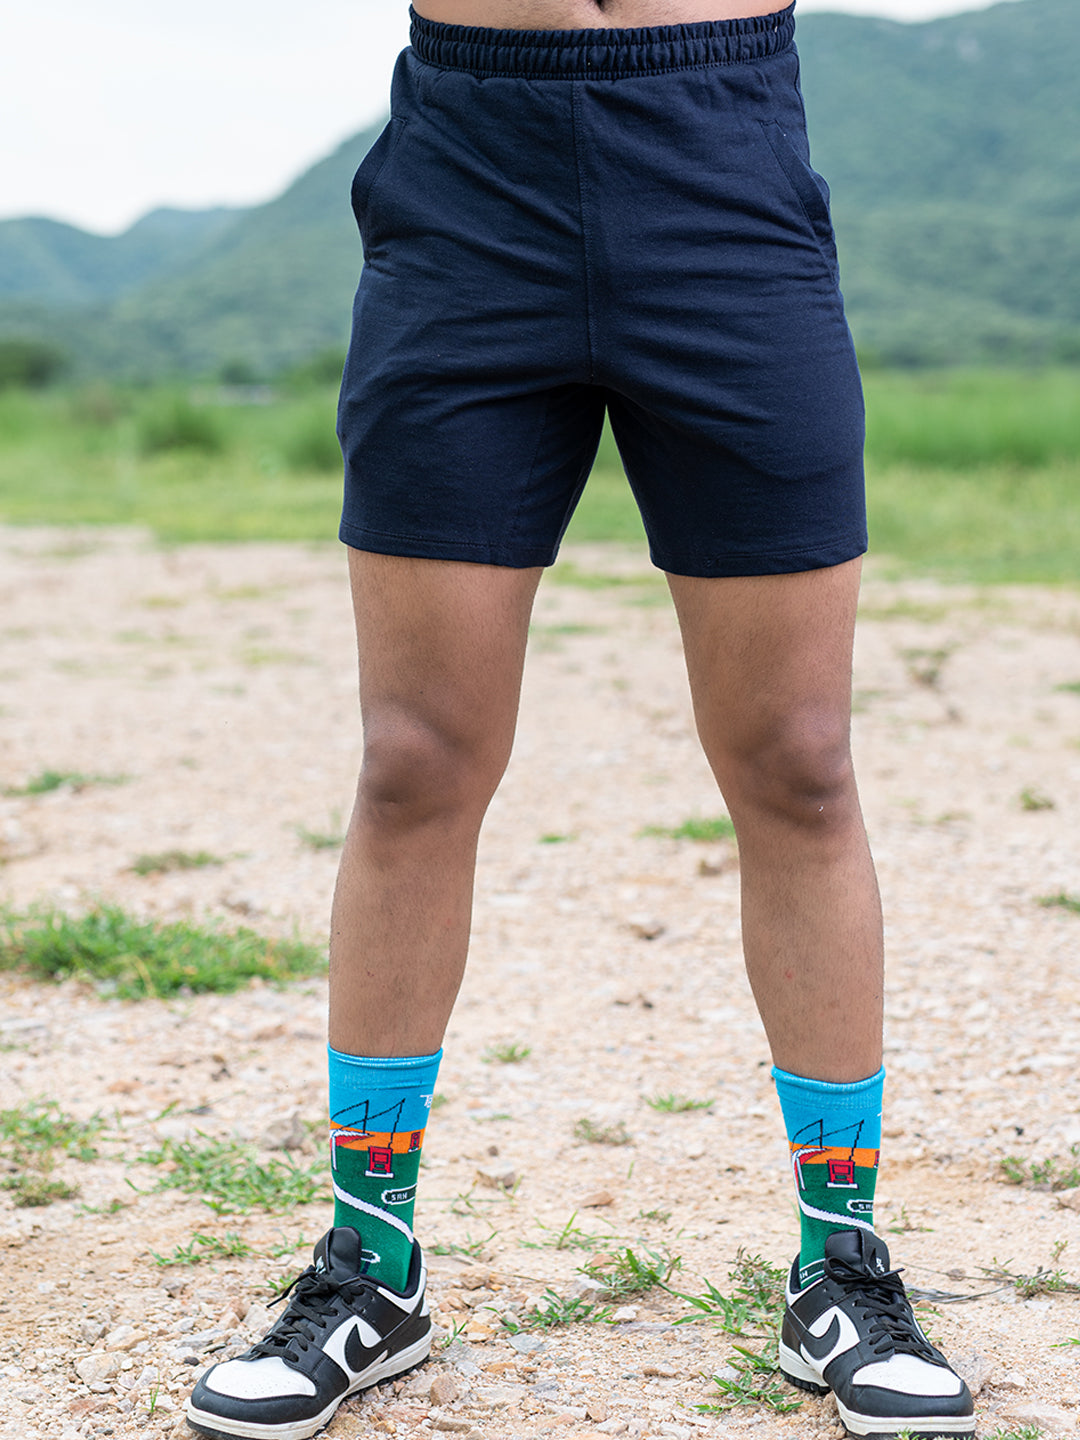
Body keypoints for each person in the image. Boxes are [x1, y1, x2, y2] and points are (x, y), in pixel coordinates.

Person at [186, 2, 976, 1438]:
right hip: (469, 172)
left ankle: (842, 1263)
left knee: (800, 761)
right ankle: (372, 1258)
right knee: (414, 760)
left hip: (718, 155)